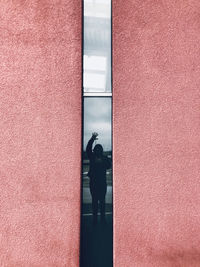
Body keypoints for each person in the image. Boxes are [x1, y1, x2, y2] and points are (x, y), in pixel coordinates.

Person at [86, 132, 111, 225]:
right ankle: (97, 219)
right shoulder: (93, 157)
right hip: (96, 183)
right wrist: (92, 139)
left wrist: (102, 162)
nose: (96, 151)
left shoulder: (103, 158)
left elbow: (109, 166)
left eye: (97, 149)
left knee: (100, 201)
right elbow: (88, 149)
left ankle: (101, 218)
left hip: (99, 183)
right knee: (96, 201)